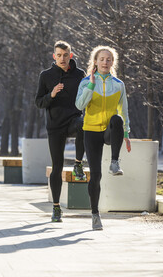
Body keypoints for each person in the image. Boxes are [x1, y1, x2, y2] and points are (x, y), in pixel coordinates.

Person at [75, 45, 131, 230]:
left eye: (109, 59)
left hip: (109, 130)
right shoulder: (85, 82)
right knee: (96, 175)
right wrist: (91, 85)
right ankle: (95, 214)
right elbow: (79, 105)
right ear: (96, 61)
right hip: (90, 132)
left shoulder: (118, 84)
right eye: (102, 59)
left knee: (117, 118)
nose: (105, 62)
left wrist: (126, 134)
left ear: (112, 63)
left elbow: (124, 110)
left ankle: (115, 162)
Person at [35, 41, 86, 223]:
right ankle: (56, 208)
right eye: (59, 55)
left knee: (83, 124)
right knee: (57, 167)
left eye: (65, 55)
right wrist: (52, 95)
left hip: (73, 120)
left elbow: (87, 96)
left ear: (70, 55)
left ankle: (78, 164)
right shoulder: (46, 76)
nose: (62, 58)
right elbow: (38, 102)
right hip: (55, 126)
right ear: (54, 56)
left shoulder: (80, 75)